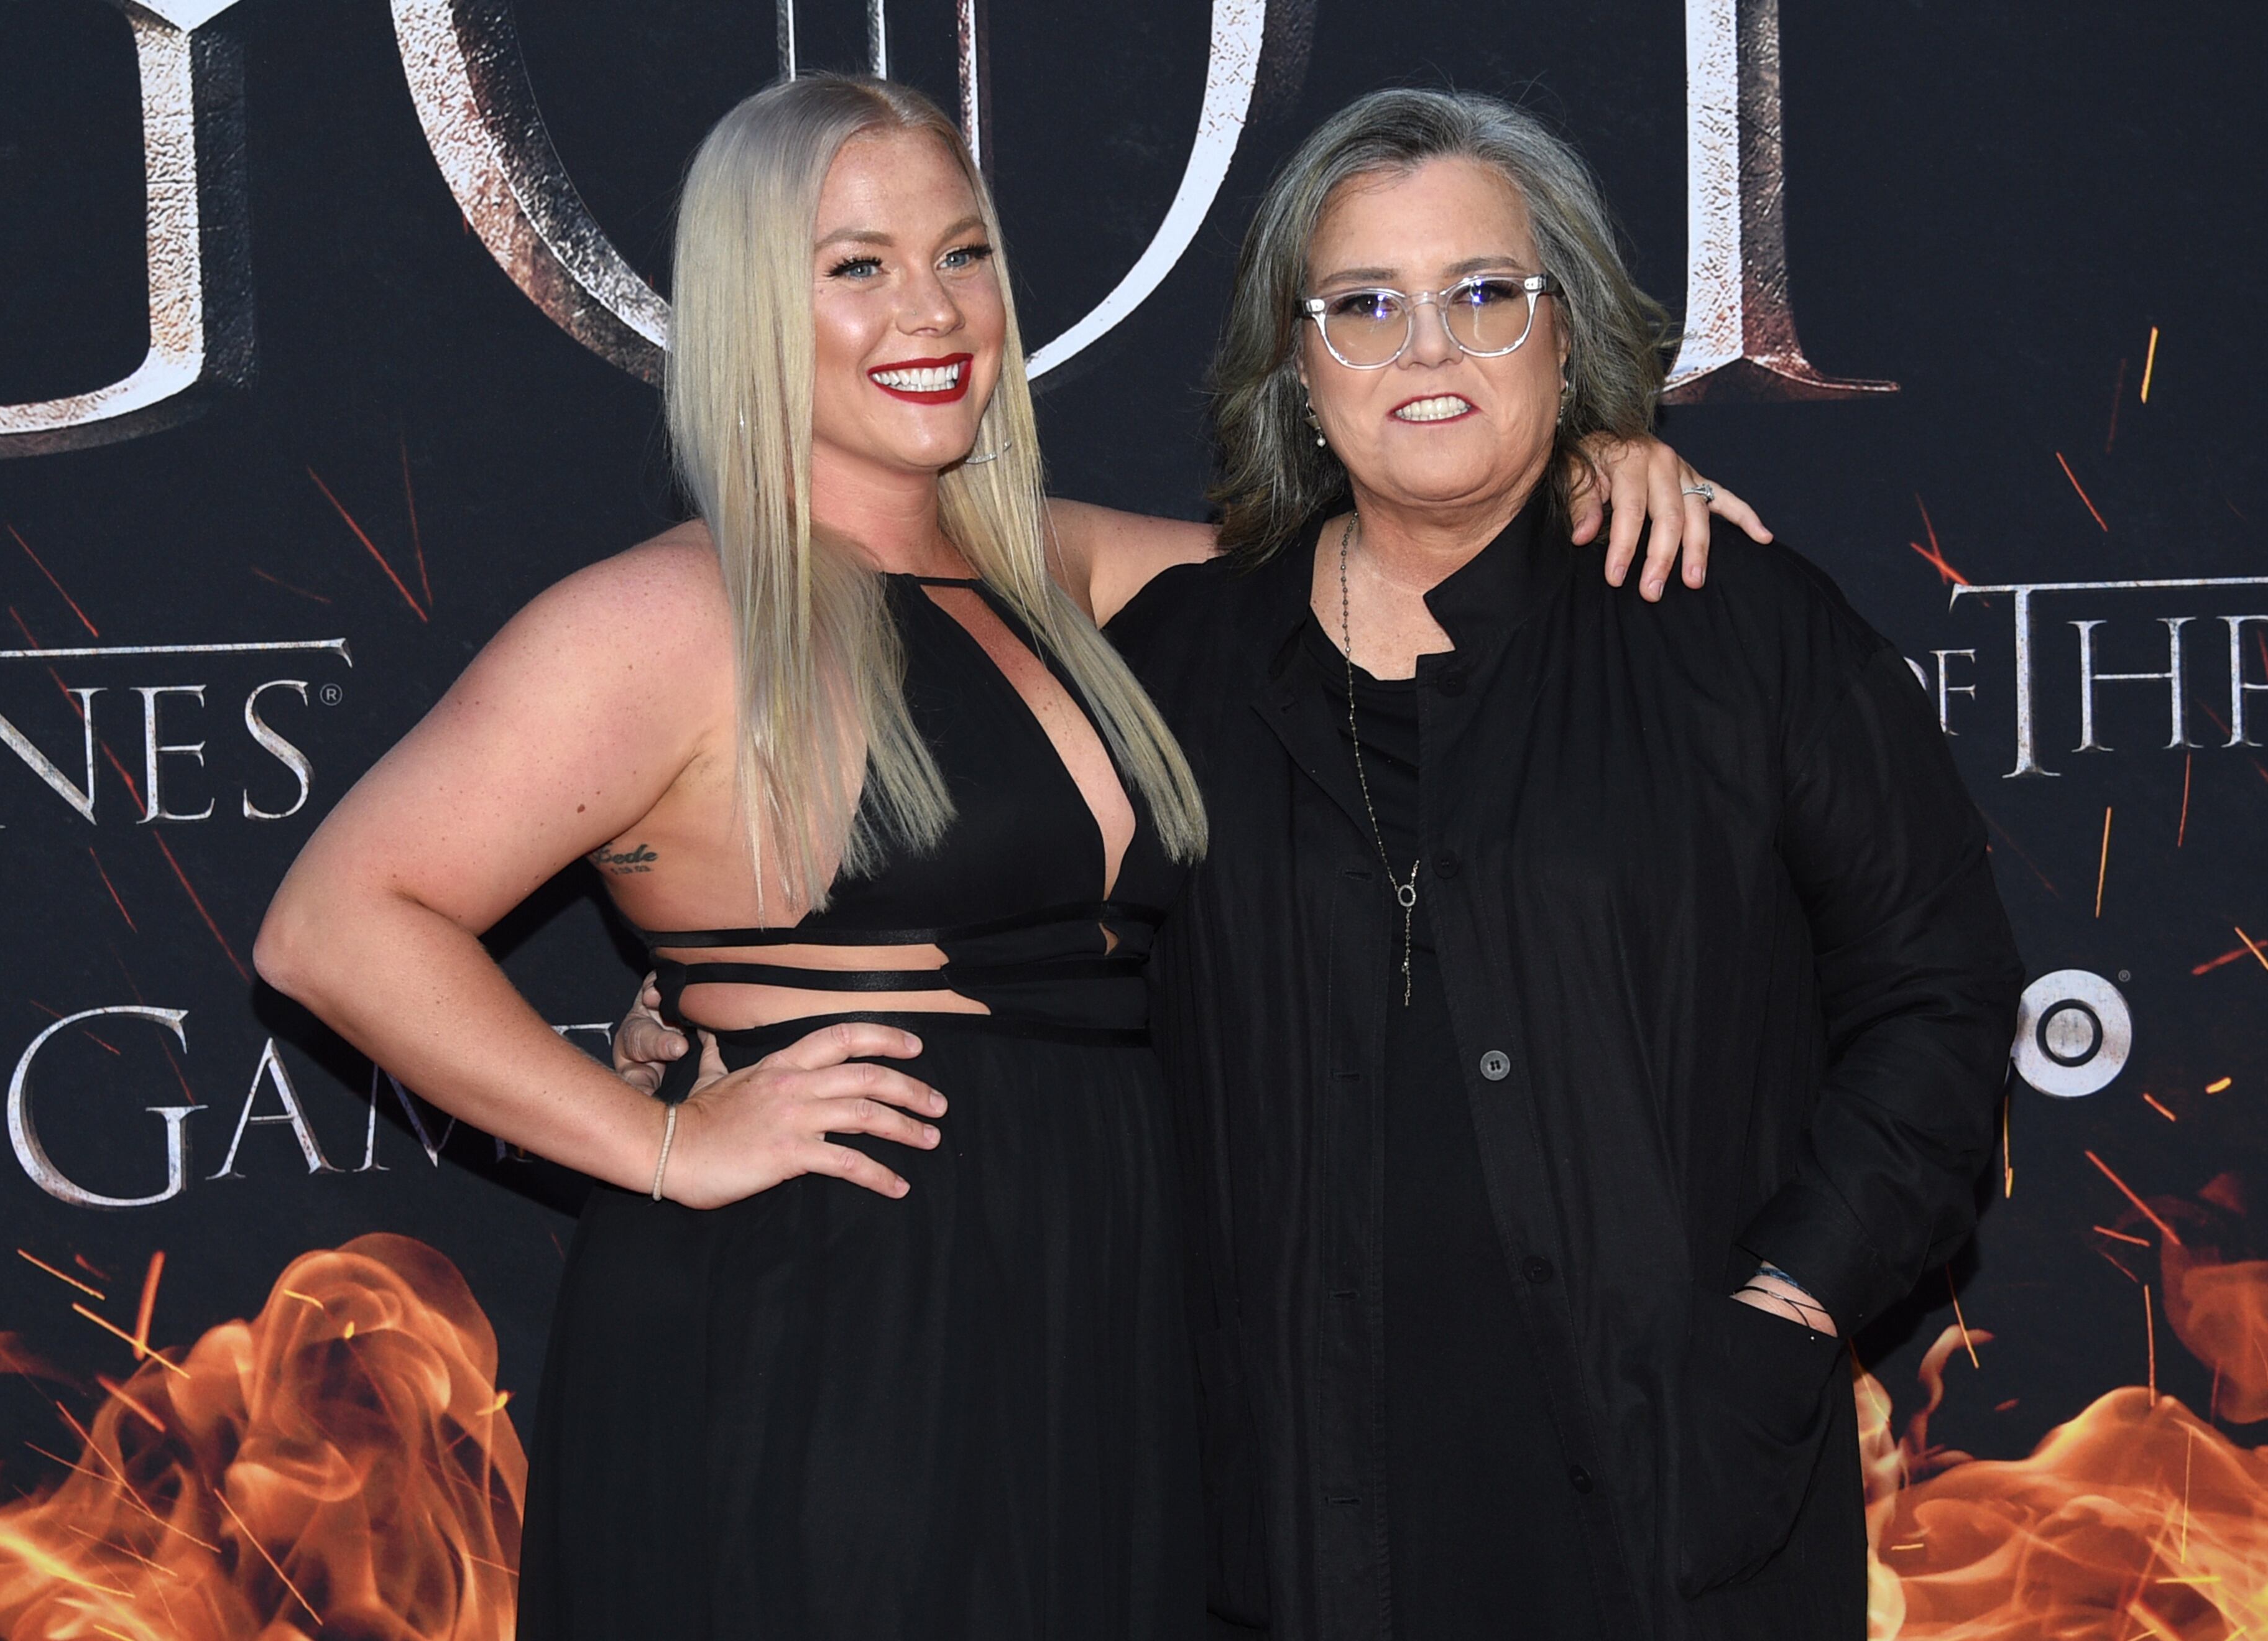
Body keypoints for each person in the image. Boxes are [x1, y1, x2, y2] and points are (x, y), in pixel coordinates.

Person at [260, 75, 1739, 1639]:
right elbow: (339, 922)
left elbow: (1409, 569)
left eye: (962, 254)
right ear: (756, 304)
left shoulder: (1078, 569)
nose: (931, 308)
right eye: (857, 266)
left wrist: (1579, 465)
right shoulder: (668, 623)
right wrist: (669, 1147)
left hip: (1119, 1325)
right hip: (826, 1334)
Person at [1104, 88, 2024, 1641]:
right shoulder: (1177, 668)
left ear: (1564, 324)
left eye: (1481, 295)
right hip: (1300, 1515)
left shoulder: (1737, 627)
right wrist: (700, 1018)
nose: (1428, 351)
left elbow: (1936, 1000)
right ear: (1294, 360)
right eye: (1364, 307)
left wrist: (1784, 1315)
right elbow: (1032, 976)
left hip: (1676, 1496)